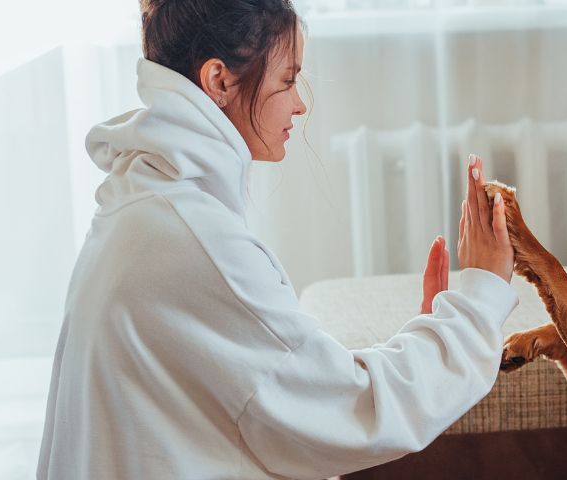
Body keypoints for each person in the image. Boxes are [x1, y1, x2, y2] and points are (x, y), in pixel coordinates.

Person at [36, 1, 517, 478]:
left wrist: (433, 334)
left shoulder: (148, 202)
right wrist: (480, 296)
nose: (300, 103)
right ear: (219, 80)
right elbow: (354, 411)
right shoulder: (192, 238)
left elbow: (293, 385)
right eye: (287, 80)